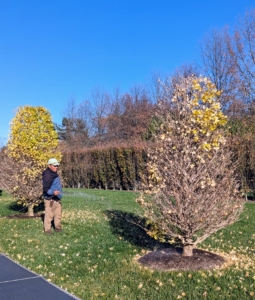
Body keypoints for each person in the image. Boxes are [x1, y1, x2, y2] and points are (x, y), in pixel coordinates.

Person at [42, 158, 63, 234]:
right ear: (49, 165)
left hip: (57, 199)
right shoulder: (47, 175)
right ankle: (47, 231)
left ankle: (58, 229)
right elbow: (46, 189)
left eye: (57, 166)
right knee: (49, 216)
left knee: (58, 215)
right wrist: (53, 192)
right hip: (50, 200)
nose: (56, 167)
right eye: (54, 166)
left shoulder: (54, 174)